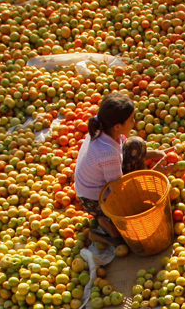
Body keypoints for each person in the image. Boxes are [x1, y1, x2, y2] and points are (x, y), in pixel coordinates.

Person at [73, 92, 173, 242]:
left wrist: (153, 153)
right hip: (95, 200)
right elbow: (119, 190)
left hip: (101, 184)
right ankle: (105, 230)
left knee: (136, 144)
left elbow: (122, 150)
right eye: (131, 119)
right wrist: (154, 173)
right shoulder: (107, 153)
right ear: (118, 126)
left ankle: (105, 221)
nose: (134, 121)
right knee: (130, 233)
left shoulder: (104, 130)